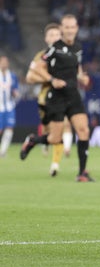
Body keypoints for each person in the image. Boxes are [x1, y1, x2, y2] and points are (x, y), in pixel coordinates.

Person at [20, 14, 94, 182]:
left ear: (76, 28)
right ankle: (33, 140)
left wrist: (82, 77)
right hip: (56, 97)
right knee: (55, 138)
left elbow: (77, 68)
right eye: (66, 27)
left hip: (73, 94)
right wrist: (52, 79)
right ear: (62, 29)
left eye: (72, 27)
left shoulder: (78, 47)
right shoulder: (54, 48)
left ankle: (82, 173)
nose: (69, 30)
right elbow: (36, 69)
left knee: (83, 130)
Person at [25, 23, 69, 176]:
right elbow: (29, 77)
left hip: (63, 98)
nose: (54, 38)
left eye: (57, 35)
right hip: (45, 99)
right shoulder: (41, 56)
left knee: (61, 129)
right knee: (50, 132)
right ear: (46, 39)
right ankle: (35, 140)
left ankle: (55, 165)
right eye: (51, 35)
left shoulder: (66, 54)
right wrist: (50, 80)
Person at [0, 55, 19, 157]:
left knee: (9, 128)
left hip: (9, 106)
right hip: (0, 107)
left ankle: (3, 151)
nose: (4, 64)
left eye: (6, 62)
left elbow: (15, 89)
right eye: (2, 62)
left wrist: (15, 93)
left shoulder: (12, 76)